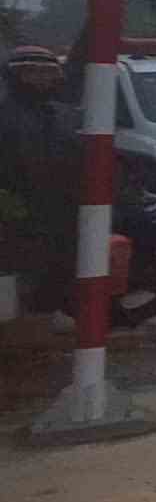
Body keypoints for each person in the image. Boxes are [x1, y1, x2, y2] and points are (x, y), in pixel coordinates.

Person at [1, 43, 76, 315]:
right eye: (32, 72)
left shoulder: (64, 114)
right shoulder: (6, 115)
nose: (42, 79)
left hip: (59, 215)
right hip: (17, 219)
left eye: (47, 72)